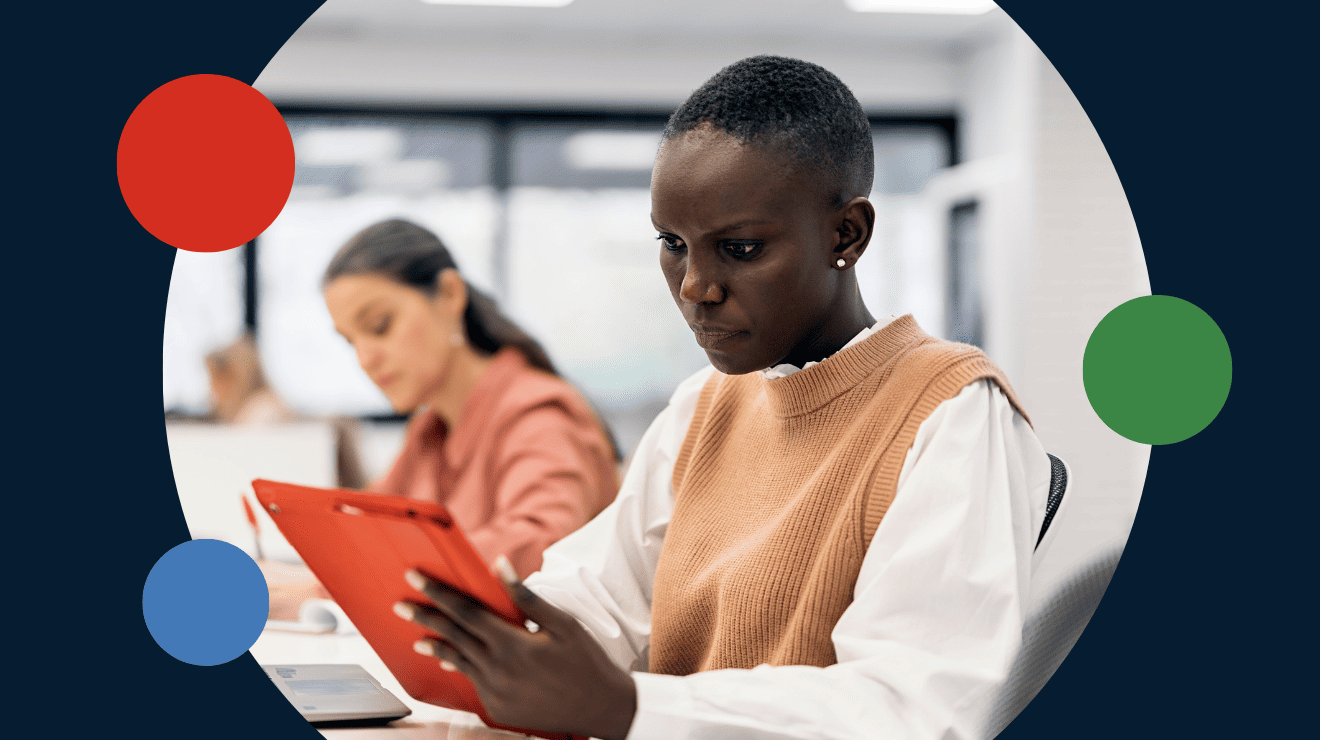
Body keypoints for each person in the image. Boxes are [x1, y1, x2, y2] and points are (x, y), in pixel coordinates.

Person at [392, 56, 1051, 740]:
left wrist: (629, 709)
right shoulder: (705, 404)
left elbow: (915, 709)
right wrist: (497, 631)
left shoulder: (954, 412)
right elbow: (600, 593)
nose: (694, 285)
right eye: (673, 244)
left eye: (739, 248)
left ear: (845, 235)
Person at [322, 218, 621, 578]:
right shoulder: (430, 431)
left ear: (449, 294)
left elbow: (539, 545)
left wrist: (330, 583)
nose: (365, 359)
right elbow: (362, 535)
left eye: (379, 325)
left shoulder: (538, 415)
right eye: (350, 341)